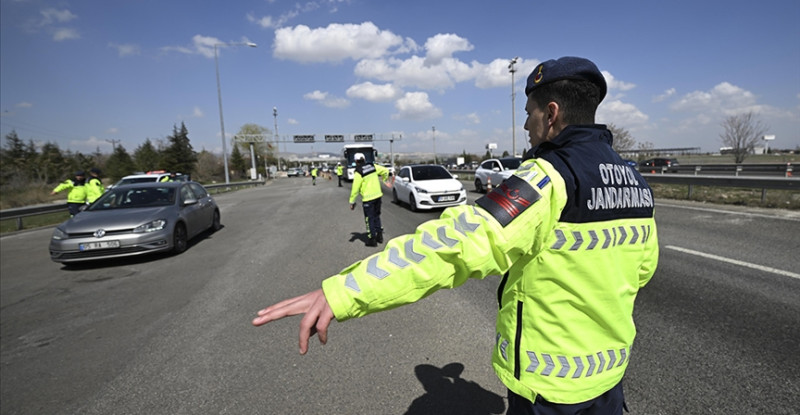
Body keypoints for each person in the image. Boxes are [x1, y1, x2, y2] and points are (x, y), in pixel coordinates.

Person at [252, 57, 659, 415]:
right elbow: (641, 271)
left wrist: (343, 292)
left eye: (529, 111)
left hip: (549, 390)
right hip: (608, 380)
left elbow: (452, 248)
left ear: (550, 114)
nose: (524, 123)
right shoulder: (636, 182)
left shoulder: (546, 179)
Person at [348, 153, 390, 247]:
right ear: (364, 159)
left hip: (368, 198)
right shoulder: (372, 166)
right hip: (378, 196)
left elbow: (355, 189)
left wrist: (352, 201)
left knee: (369, 219)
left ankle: (372, 240)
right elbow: (385, 170)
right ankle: (380, 236)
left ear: (356, 161)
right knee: (377, 216)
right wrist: (385, 180)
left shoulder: (358, 171)